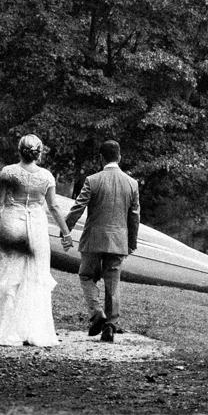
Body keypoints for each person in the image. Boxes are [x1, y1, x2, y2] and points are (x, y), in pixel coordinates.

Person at [0, 134, 74, 347]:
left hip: (13, 221)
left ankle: (5, 331)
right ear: (38, 153)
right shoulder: (47, 176)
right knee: (35, 273)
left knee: (10, 272)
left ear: (19, 150)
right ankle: (33, 330)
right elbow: (54, 207)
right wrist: (66, 233)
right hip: (37, 225)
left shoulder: (9, 172)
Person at [65, 140, 140, 343]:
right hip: (118, 241)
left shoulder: (93, 180)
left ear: (101, 158)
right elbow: (134, 216)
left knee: (86, 276)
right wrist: (131, 242)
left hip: (94, 239)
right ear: (119, 157)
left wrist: (66, 229)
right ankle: (110, 326)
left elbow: (78, 208)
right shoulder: (131, 184)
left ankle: (97, 312)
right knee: (112, 284)